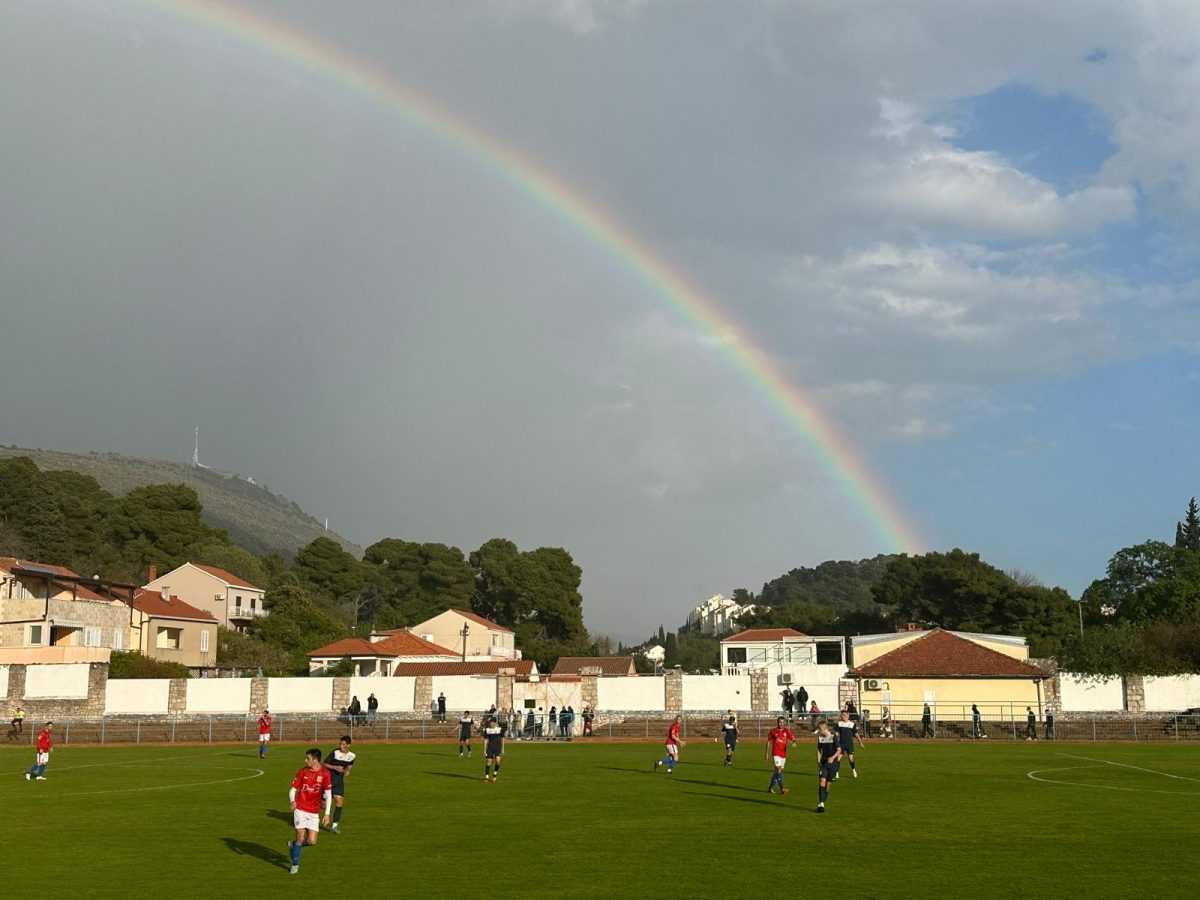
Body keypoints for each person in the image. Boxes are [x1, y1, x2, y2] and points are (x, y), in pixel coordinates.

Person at [287, 748, 332, 875]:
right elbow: (293, 789)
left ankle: (294, 845)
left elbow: (329, 794)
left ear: (315, 760)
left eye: (308, 758)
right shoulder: (302, 771)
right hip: (300, 809)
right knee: (301, 837)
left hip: (314, 811)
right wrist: (292, 801)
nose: (305, 760)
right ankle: (295, 864)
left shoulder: (325, 774)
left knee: (312, 841)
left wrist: (327, 814)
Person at [323, 735, 356, 833]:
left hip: (339, 782)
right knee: (323, 805)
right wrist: (335, 767)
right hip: (328, 780)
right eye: (340, 744)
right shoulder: (335, 752)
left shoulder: (352, 756)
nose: (341, 746)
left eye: (344, 744)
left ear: (349, 745)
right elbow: (324, 764)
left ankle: (334, 826)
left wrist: (347, 771)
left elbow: (349, 766)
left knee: (339, 802)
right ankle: (307, 816)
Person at [815, 719, 843, 813]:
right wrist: (818, 761)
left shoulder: (833, 736)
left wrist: (833, 757)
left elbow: (839, 750)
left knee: (828, 784)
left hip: (833, 764)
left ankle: (823, 800)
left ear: (824, 728)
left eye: (820, 729)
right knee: (822, 781)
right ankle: (821, 803)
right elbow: (819, 750)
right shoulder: (820, 738)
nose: (819, 731)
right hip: (823, 764)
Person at [765, 716, 796, 795]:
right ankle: (782, 788)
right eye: (780, 722)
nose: (781, 724)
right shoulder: (773, 731)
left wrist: (794, 742)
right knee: (778, 770)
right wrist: (766, 753)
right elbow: (768, 741)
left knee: (778, 772)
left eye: (783, 722)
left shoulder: (786, 731)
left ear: (785, 723)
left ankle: (770, 788)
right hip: (776, 753)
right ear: (777, 722)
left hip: (783, 754)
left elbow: (792, 738)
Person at [835, 710, 858, 779]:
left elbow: (856, 734)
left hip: (849, 745)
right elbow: (836, 734)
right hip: (841, 744)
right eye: (842, 715)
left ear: (848, 716)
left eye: (845, 715)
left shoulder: (852, 724)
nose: (843, 716)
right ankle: (836, 773)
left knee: (851, 759)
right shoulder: (839, 724)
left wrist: (860, 742)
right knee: (838, 759)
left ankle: (854, 771)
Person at [483, 715, 504, 783]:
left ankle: (494, 775)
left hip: (498, 748)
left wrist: (503, 749)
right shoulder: (487, 730)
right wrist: (484, 750)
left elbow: (502, 739)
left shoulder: (499, 729)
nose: (490, 723)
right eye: (490, 722)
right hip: (490, 748)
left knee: (498, 761)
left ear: (495, 722)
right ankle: (486, 776)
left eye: (491, 722)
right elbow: (486, 740)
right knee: (489, 762)